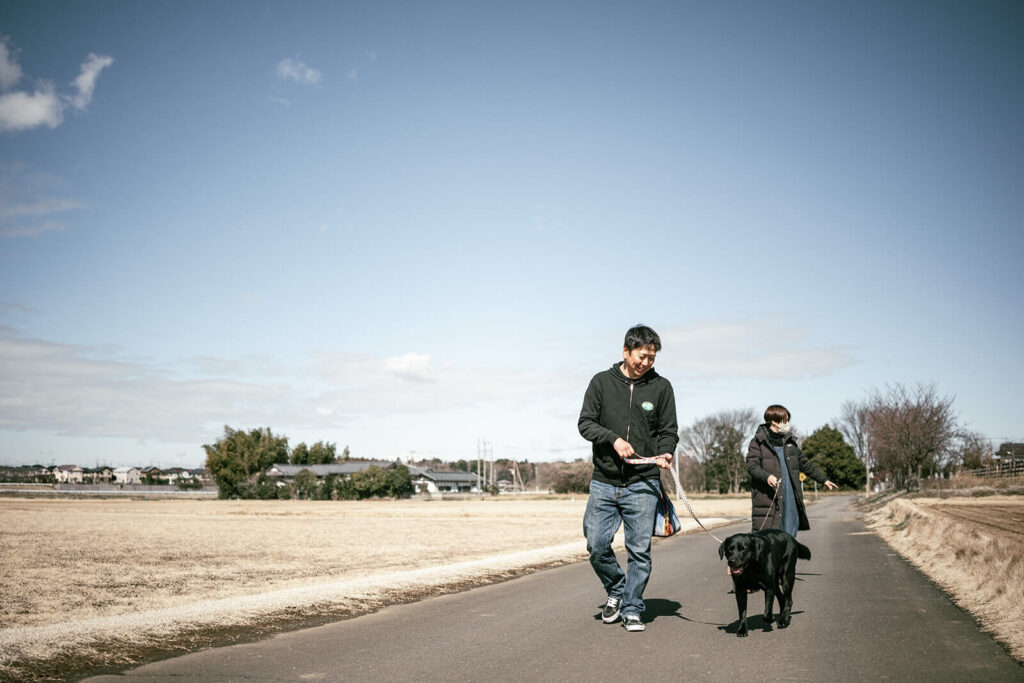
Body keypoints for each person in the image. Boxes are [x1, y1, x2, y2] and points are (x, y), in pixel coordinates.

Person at [578, 324, 678, 632]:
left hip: (644, 481)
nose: (647, 362)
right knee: (596, 545)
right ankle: (618, 588)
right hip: (604, 481)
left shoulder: (661, 387)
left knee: (639, 551)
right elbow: (586, 423)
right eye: (641, 355)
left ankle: (633, 608)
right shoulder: (601, 382)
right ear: (625, 351)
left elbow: (668, 431)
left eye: (652, 357)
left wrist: (665, 452)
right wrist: (613, 439)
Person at [746, 404, 838, 537]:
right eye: (785, 420)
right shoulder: (758, 442)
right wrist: (767, 477)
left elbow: (805, 465)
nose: (787, 423)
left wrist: (823, 479)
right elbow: (752, 466)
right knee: (767, 543)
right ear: (774, 421)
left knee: (788, 541)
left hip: (790, 499)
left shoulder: (790, 443)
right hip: (769, 498)